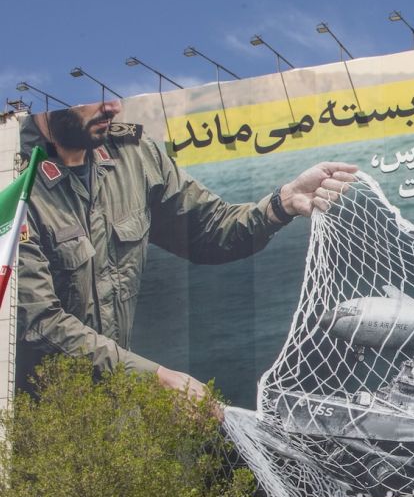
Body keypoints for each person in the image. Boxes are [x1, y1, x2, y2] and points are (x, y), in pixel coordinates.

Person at [16, 98, 358, 398]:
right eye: (93, 97)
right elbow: (39, 323)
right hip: (43, 427)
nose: (113, 107)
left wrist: (281, 204)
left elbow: (208, 229)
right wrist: (155, 379)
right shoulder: (12, 183)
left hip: (122, 403)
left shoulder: (134, 155)